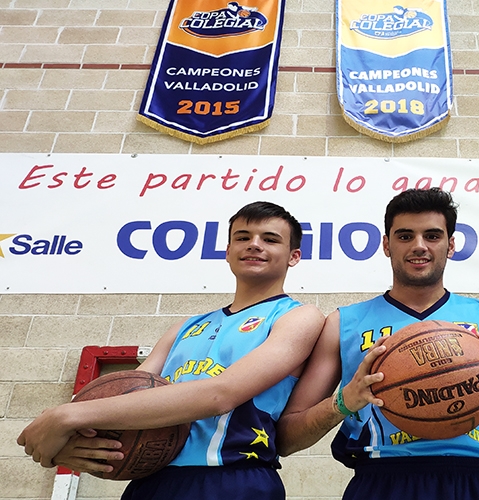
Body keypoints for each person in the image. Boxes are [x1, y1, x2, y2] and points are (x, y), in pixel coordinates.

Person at [17, 201, 325, 500]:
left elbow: (222, 394)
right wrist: (75, 442)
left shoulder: (298, 316)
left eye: (270, 239)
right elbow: (126, 398)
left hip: (232, 475)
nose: (254, 245)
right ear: (228, 252)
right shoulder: (186, 326)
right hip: (150, 479)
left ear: (293, 256)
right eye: (242, 238)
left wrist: (66, 415)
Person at [275, 188, 479, 500]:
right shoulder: (342, 323)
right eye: (404, 236)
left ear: (451, 244)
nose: (419, 246)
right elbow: (288, 439)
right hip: (383, 482)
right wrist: (346, 400)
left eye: (432, 235)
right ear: (387, 245)